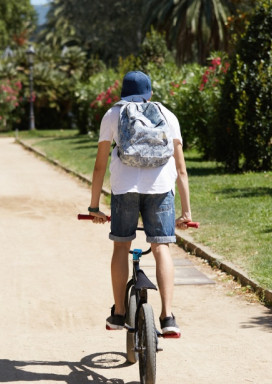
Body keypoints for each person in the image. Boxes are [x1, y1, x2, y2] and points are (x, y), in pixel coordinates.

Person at [87, 70, 192, 338]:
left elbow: (100, 166)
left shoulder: (113, 114)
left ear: (122, 93)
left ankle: (120, 312)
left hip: (125, 188)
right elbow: (181, 169)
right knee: (161, 248)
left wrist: (94, 207)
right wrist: (186, 212)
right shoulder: (168, 115)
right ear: (150, 93)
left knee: (122, 245)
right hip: (161, 188)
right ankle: (168, 317)